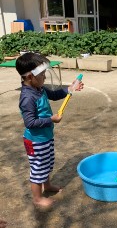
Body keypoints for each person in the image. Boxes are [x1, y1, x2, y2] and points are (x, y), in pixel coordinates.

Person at [15, 53, 84, 208]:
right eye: (42, 74)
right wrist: (50, 120)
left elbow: (53, 94)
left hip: (45, 137)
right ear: (30, 77)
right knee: (38, 168)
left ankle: (47, 186)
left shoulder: (39, 88)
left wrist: (70, 88)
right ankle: (37, 198)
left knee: (46, 163)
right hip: (35, 140)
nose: (45, 77)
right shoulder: (27, 97)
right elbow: (30, 122)